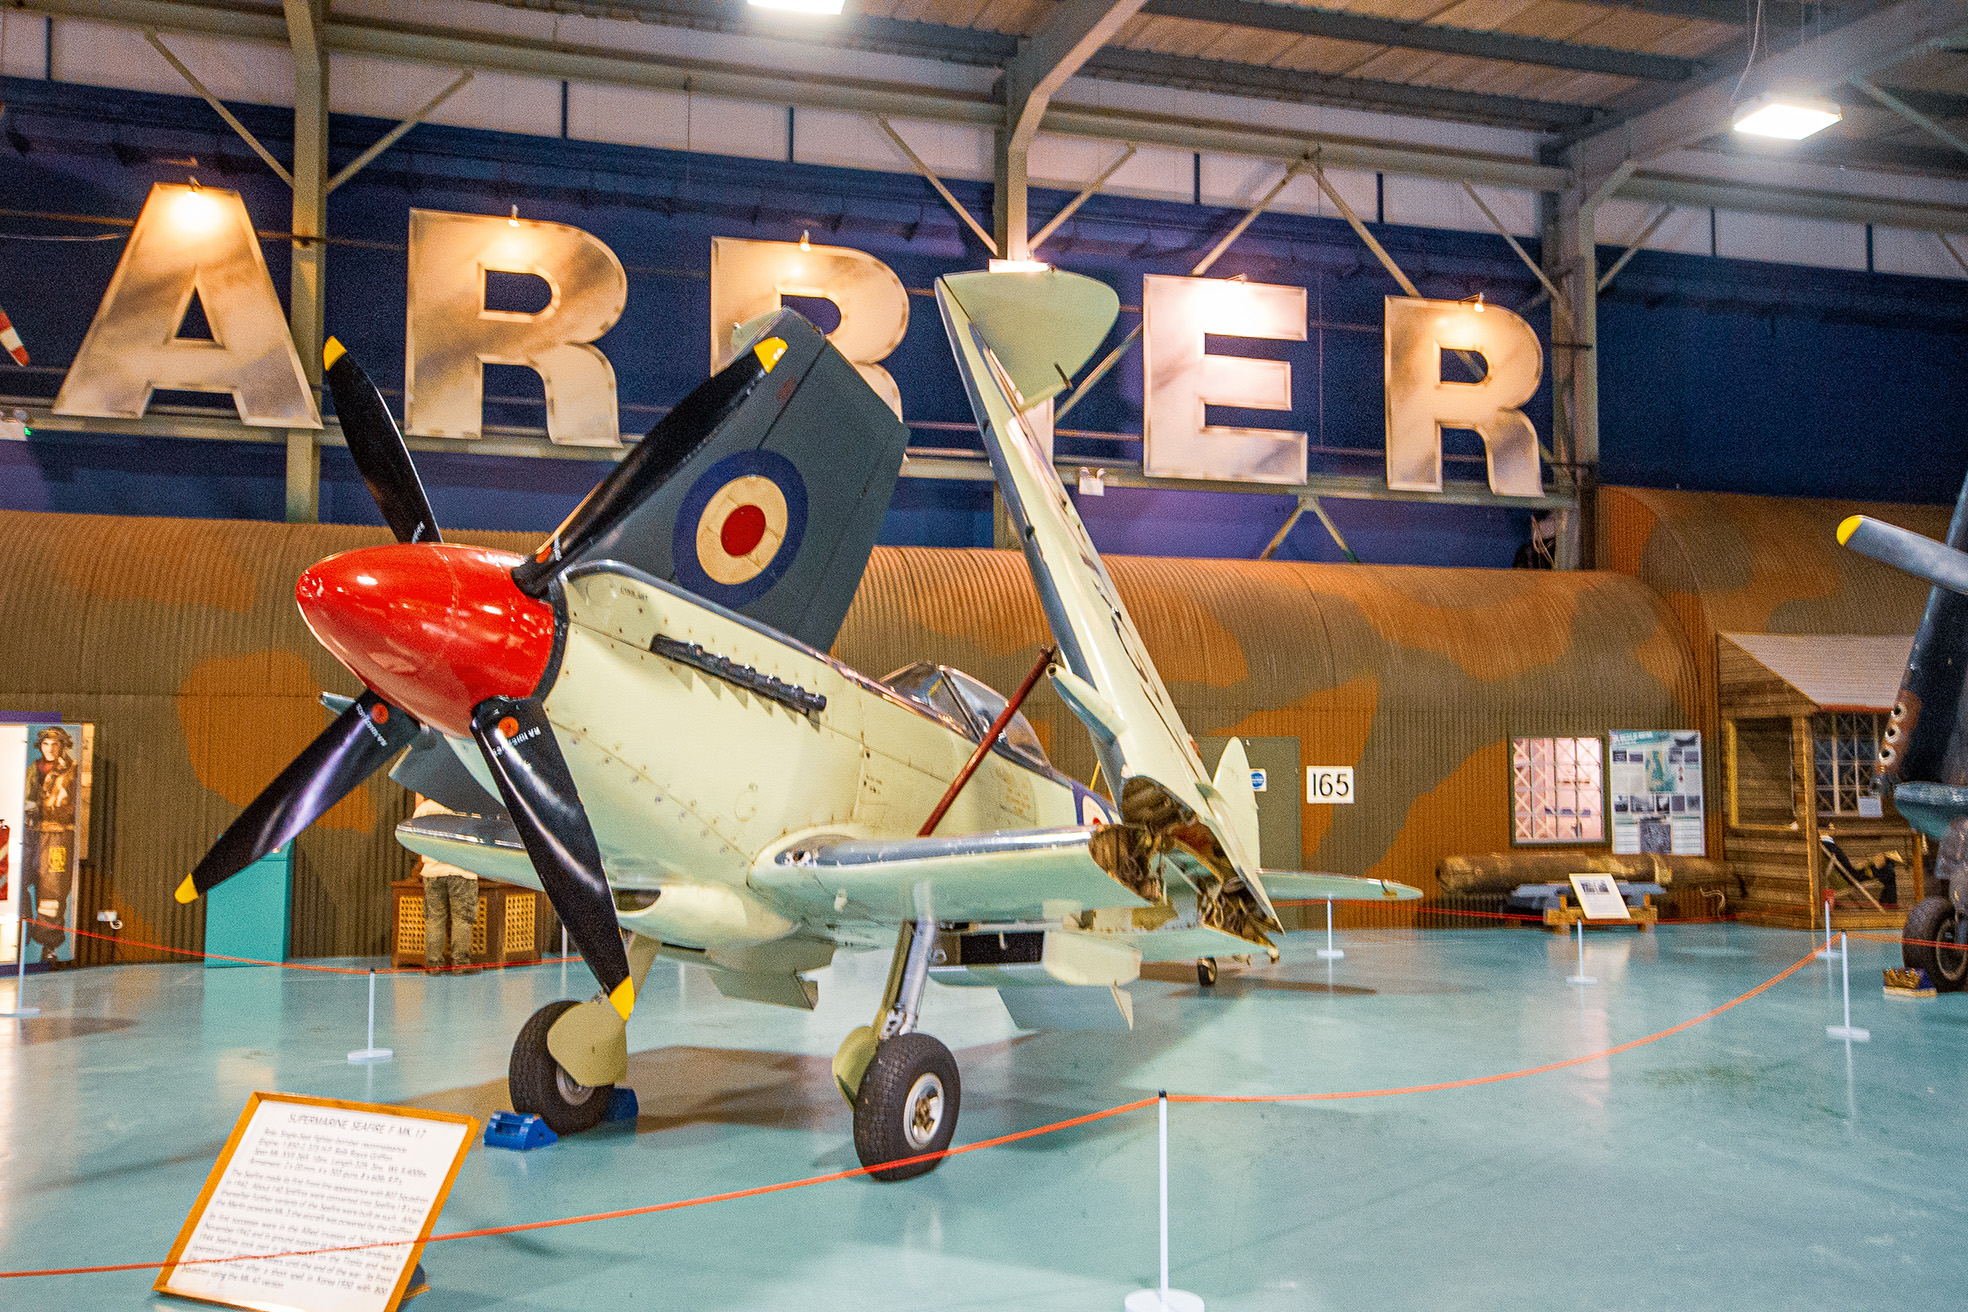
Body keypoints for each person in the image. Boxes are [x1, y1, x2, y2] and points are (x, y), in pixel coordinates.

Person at [22, 727, 76, 961]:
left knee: (52, 892)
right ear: (40, 746)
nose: (50, 748)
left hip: (57, 837)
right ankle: (20, 933)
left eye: (55, 744)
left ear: (63, 745)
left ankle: (49, 946)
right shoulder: (33, 769)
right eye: (46, 744)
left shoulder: (72, 770)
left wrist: (43, 809)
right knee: (17, 881)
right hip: (30, 834)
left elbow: (70, 805)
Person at [413, 797, 479, 975]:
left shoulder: (425, 808)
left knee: (434, 918)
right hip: (462, 870)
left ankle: (434, 965)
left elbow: (414, 837)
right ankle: (460, 964)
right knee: (462, 919)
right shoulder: (467, 807)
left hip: (432, 870)